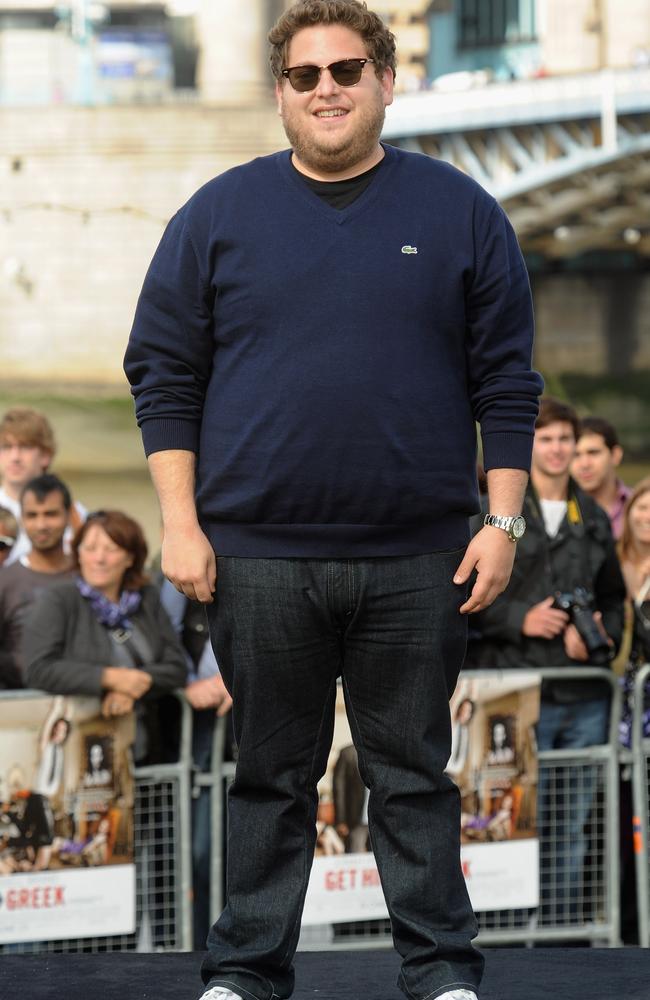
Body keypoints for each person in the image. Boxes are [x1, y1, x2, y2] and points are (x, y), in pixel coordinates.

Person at [123, 2, 543, 998]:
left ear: (386, 82)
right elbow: (162, 371)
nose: (326, 88)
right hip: (257, 557)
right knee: (268, 777)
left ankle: (439, 968)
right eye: (304, 73)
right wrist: (179, 525)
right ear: (279, 93)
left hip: (419, 556)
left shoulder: (461, 212)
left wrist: (502, 520)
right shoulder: (217, 216)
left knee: (412, 776)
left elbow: (506, 381)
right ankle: (245, 970)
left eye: (347, 69)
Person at [469, 396, 626, 920]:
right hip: (512, 692)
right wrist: (520, 619)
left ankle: (560, 940)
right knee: (506, 826)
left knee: (571, 825)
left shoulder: (596, 517)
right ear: (528, 444)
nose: (558, 450)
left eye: (566, 440)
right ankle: (503, 938)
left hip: (581, 692)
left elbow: (611, 601)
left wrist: (601, 635)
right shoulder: (495, 511)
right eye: (547, 438)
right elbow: (464, 596)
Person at [23, 510, 187, 766]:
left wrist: (135, 687)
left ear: (130, 557)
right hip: (76, 751)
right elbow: (38, 668)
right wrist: (110, 679)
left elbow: (176, 666)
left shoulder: (147, 598)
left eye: (111, 549)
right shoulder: (59, 599)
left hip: (145, 752)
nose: (99, 558)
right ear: (78, 553)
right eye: (90, 548)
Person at [0, 473, 75, 689]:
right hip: (21, 705)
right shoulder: (5, 582)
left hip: (89, 702)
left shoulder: (90, 577)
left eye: (50, 514)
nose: (41, 525)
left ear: (69, 515)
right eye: (32, 515)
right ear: (22, 518)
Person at [0, 407, 86, 565]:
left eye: (25, 447)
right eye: (6, 447)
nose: (15, 457)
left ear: (46, 455)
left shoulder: (74, 513)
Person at [571, 415, 631, 539]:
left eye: (593, 452)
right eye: (575, 455)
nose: (584, 464)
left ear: (615, 455)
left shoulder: (642, 508)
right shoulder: (556, 510)